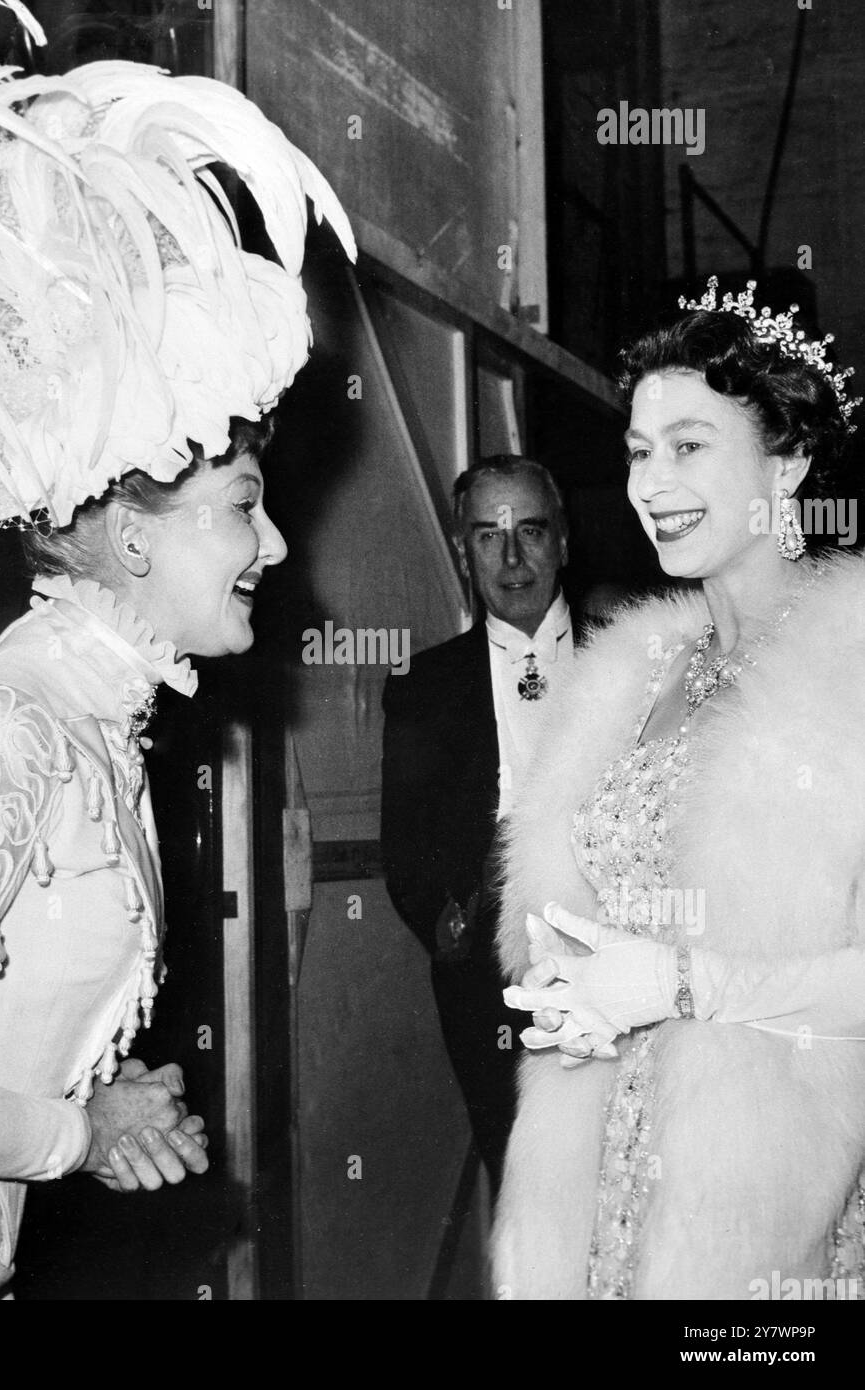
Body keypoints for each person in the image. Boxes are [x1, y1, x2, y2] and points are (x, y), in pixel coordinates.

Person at [0, 0, 354, 1300]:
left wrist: (88, 1082)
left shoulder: (85, 722)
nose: (277, 546)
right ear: (129, 536)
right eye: (243, 502)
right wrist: (87, 1132)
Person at [492, 277, 865, 1299]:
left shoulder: (853, 674)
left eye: (690, 446)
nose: (652, 483)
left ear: (785, 465)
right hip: (603, 1162)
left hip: (775, 1192)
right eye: (639, 453)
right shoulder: (631, 675)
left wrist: (683, 985)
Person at [381, 456, 573, 1191]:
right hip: (489, 977)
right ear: (463, 551)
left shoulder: (635, 656)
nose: (514, 557)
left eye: (531, 530)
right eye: (489, 537)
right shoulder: (423, 686)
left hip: (616, 952)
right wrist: (446, 918)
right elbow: (404, 847)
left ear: (563, 540)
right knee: (519, 1173)